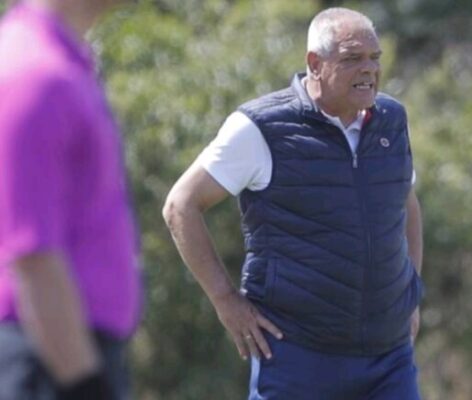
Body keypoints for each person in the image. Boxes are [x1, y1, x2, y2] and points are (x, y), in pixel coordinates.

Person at [163, 7, 424, 400]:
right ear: (315, 64)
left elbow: (405, 205)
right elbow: (180, 205)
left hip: (389, 358)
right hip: (297, 354)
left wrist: (410, 295)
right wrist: (225, 300)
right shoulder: (261, 127)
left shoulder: (391, 119)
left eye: (375, 57)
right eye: (352, 58)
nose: (369, 69)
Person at [0, 1, 142, 399]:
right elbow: (32, 255)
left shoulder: (63, 64)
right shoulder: (37, 75)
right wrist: (83, 384)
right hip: (49, 357)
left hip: (64, 350)